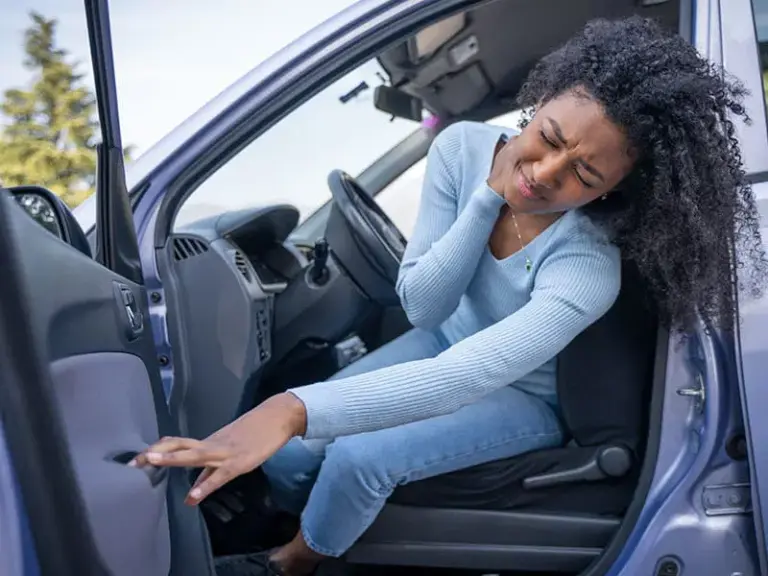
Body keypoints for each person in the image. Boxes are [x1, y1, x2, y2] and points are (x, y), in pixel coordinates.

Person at [133, 16, 767, 576]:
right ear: (539, 103)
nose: (546, 173)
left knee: (356, 458)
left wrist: (290, 408)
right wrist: (488, 196)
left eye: (584, 173)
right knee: (291, 458)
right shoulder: (461, 148)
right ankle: (326, 531)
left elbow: (463, 377)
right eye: (550, 138)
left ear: (612, 189)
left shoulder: (587, 268)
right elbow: (425, 308)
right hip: (439, 336)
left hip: (522, 394)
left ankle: (297, 561)